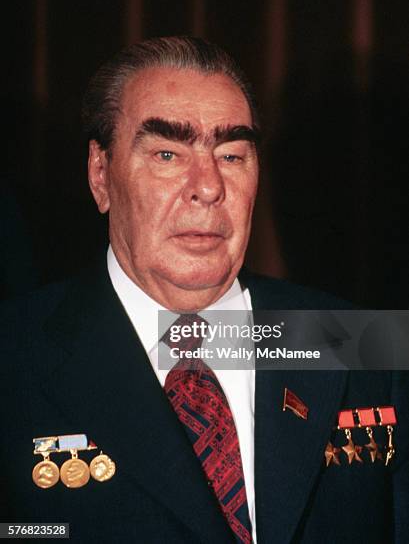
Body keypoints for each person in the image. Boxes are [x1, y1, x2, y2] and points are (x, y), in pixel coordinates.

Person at [0, 37, 407, 543]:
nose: (209, 185)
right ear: (100, 175)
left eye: (232, 155)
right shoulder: (16, 356)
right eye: (168, 153)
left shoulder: (354, 342)